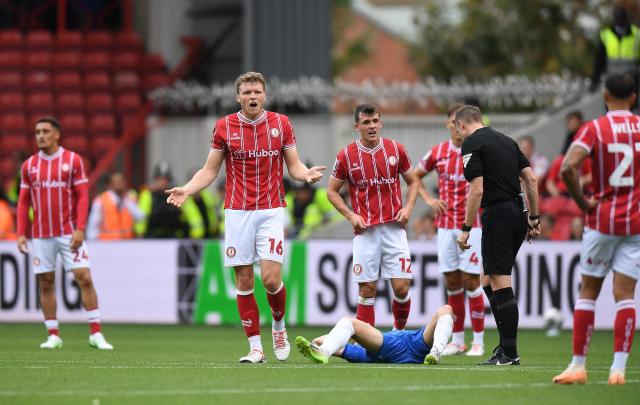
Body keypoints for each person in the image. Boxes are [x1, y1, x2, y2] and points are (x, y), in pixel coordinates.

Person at [165, 72, 325, 363]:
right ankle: (255, 347)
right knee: (243, 280)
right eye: (247, 92)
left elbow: (295, 165)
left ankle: (278, 326)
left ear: (265, 96)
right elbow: (210, 170)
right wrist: (188, 189)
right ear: (238, 97)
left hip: (271, 210)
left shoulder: (281, 123)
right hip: (237, 213)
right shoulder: (224, 126)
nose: (253, 96)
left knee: (272, 279)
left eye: (257, 92)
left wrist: (305, 175)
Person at [554, 73, 639, 386]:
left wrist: (583, 201)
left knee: (589, 290)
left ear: (605, 96)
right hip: (636, 223)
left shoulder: (594, 128)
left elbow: (566, 166)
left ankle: (578, 366)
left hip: (602, 219)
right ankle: (618, 370)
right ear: (633, 97)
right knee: (625, 295)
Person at [16, 117, 113, 350]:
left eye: (45, 131)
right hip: (41, 235)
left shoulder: (73, 160)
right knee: (46, 283)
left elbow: (82, 197)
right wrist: (21, 233)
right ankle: (53, 335)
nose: (40, 135)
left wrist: (80, 228)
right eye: (37, 131)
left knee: (85, 278)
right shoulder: (29, 165)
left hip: (68, 232)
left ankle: (96, 333)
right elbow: (23, 202)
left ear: (56, 134)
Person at [455, 105, 540, 366]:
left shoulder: (471, 144)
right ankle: (505, 346)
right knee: (487, 279)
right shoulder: (508, 141)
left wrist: (466, 227)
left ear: (461, 125)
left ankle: (510, 353)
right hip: (517, 213)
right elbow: (531, 180)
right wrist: (534, 218)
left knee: (500, 281)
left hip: (497, 214)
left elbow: (477, 189)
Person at [326, 104, 419, 330]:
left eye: (375, 121)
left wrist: (408, 209)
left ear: (381, 122)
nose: (372, 126)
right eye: (366, 122)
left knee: (401, 288)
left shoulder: (396, 150)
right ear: (357, 126)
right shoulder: (346, 155)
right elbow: (331, 191)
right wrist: (350, 215)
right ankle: (369, 344)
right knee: (367, 290)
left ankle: (398, 335)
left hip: (394, 229)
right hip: (365, 232)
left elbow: (414, 181)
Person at [414, 103, 486, 356]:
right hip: (444, 227)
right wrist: (429, 200)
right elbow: (414, 176)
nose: (458, 127)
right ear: (449, 125)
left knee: (471, 280)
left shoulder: (477, 149)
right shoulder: (439, 152)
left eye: (461, 122)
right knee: (452, 282)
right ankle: (457, 340)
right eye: (454, 122)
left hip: (472, 225)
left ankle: (478, 340)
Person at [295, 305, 453, 365]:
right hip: (415, 345)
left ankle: (322, 352)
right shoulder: (361, 354)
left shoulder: (360, 354)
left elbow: (337, 348)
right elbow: (338, 347)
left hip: (392, 348)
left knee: (349, 323)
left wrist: (314, 344)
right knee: (445, 310)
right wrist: (315, 344)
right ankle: (436, 351)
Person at [591, 6, 640, 95]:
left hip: (631, 82)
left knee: (629, 107)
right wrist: (595, 79)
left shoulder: (636, 34)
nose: (620, 20)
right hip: (612, 81)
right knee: (612, 107)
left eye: (622, 17)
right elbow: (599, 59)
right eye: (618, 17)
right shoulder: (606, 34)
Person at [86, 171, 144, 240]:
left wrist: (127, 201)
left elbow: (140, 216)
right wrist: (92, 242)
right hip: (107, 243)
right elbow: (93, 224)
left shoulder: (130, 198)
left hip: (127, 243)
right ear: (110, 184)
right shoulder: (101, 200)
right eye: (116, 182)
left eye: (121, 181)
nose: (119, 184)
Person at [137, 162, 188, 238]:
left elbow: (184, 217)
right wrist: (140, 234)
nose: (163, 182)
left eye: (165, 179)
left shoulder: (175, 195)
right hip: (152, 236)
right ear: (155, 179)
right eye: (159, 178)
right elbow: (141, 218)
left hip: (172, 236)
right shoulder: (147, 195)